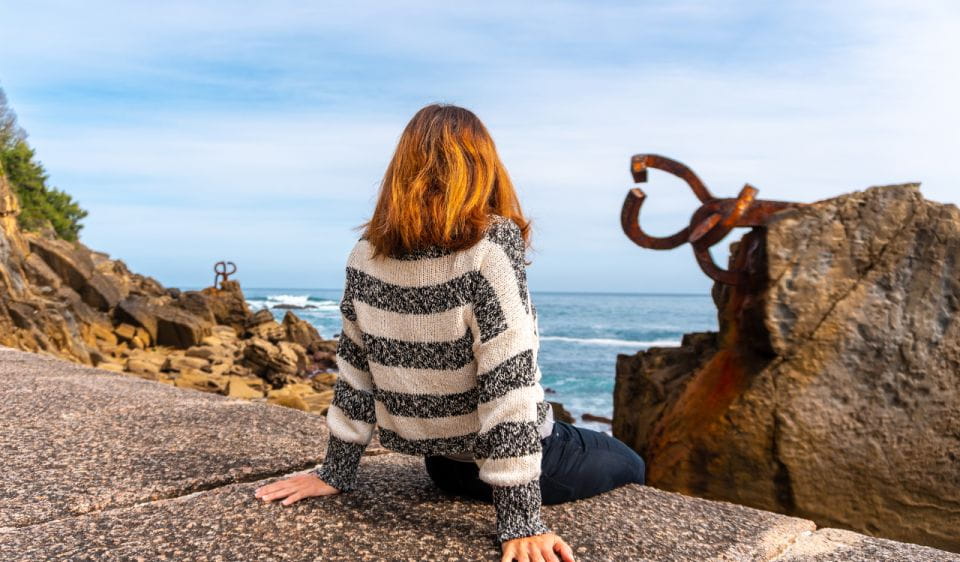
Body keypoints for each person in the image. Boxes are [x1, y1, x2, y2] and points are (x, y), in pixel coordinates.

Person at [253, 103, 646, 562]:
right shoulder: (491, 244)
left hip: (443, 469)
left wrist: (336, 472)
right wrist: (519, 521)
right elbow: (509, 379)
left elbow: (355, 369)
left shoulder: (365, 253)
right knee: (631, 462)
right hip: (520, 467)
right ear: (482, 168)